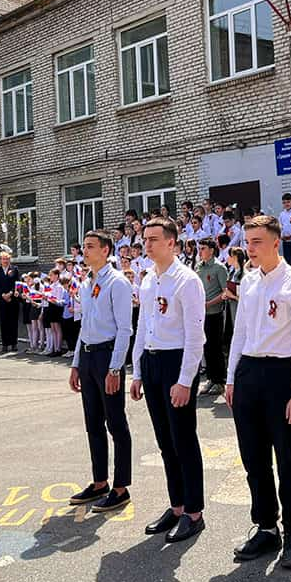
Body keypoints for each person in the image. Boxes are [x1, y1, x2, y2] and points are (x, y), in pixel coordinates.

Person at [224, 215, 291, 569]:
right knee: (253, 458)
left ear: (276, 242)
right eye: (248, 242)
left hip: (282, 374)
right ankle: (265, 526)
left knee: (289, 458)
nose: (251, 249)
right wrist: (231, 378)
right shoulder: (248, 282)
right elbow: (240, 333)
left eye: (258, 242)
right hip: (249, 372)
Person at [130, 217, 207, 543]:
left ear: (172, 243)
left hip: (176, 363)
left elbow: (195, 336)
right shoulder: (148, 279)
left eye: (154, 239)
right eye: (145, 239)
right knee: (165, 442)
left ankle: (194, 512)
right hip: (152, 361)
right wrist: (136, 371)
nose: (147, 245)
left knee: (183, 440)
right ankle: (176, 505)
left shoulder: (187, 281)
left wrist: (185, 380)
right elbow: (143, 327)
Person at [69, 229, 135, 513]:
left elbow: (124, 329)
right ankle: (100, 482)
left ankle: (121, 487)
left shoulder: (117, 283)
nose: (85, 251)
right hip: (87, 357)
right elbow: (84, 326)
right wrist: (75, 364)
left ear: (106, 251)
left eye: (91, 246)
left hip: (108, 356)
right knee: (92, 423)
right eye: (84, 246)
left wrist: (116, 367)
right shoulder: (87, 283)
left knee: (115, 423)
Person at [196, 238, 229, 397]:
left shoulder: (219, 268)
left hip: (215, 313)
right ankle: (210, 378)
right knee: (206, 346)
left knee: (216, 347)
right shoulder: (199, 267)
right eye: (199, 248)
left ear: (211, 250)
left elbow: (225, 292)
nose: (200, 251)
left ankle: (220, 381)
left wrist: (209, 304)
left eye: (203, 248)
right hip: (201, 314)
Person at [0, 252, 20, 352]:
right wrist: (3, 294)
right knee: (4, 321)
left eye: (7, 259)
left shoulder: (14, 269)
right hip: (2, 299)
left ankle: (14, 343)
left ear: (10, 260)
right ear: (0, 260)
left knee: (13, 321)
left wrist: (10, 293)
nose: (5, 261)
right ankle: (5, 344)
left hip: (12, 299)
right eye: (3, 259)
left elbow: (17, 283)